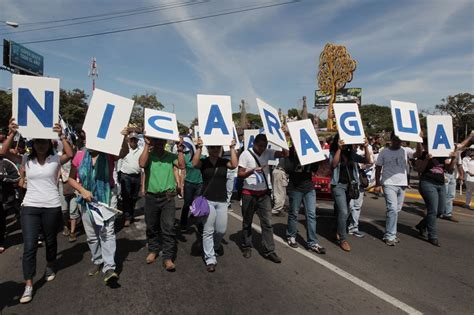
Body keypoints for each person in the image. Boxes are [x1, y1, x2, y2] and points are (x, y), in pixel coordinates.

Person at [1, 118, 73, 304]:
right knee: (30, 245)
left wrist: (62, 135)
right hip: (30, 207)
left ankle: (50, 264)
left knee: (50, 240)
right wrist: (11, 133)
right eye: (37, 142)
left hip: (51, 206)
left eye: (44, 142)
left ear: (49, 143)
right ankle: (29, 284)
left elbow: (70, 153)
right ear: (33, 144)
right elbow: (3, 152)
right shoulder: (26, 159)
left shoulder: (56, 159)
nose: (41, 145)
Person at [68, 129, 129, 285]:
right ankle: (97, 259)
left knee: (107, 232)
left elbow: (124, 151)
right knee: (92, 235)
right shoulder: (80, 155)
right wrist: (82, 190)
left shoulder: (108, 154)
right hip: (86, 200)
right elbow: (70, 179)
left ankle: (109, 267)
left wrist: (124, 136)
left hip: (107, 198)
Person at [238, 134, 288, 263]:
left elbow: (285, 154)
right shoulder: (245, 154)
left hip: (264, 194)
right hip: (249, 193)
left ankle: (269, 250)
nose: (262, 148)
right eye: (260, 146)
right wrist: (253, 170)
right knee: (247, 221)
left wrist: (281, 138)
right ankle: (247, 246)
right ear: (254, 143)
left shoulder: (268, 152)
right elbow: (240, 174)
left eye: (264, 146)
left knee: (267, 223)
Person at [139, 137, 185, 271]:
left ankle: (167, 257)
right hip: (151, 197)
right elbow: (142, 164)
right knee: (151, 225)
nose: (159, 144)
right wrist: (147, 145)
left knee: (169, 227)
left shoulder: (171, 156)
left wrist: (180, 150)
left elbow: (182, 166)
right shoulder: (148, 156)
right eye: (156, 141)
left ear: (165, 143)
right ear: (153, 142)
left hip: (168, 197)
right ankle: (153, 250)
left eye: (161, 142)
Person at [192, 138, 238, 272]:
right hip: (207, 201)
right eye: (212, 148)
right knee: (208, 230)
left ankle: (215, 246)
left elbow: (234, 164)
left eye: (218, 148)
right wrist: (198, 147)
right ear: (208, 149)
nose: (215, 150)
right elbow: (194, 163)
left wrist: (233, 147)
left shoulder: (224, 162)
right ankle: (210, 258)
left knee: (221, 230)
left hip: (222, 201)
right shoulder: (204, 162)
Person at [330, 134, 370, 252]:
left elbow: (367, 160)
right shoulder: (334, 152)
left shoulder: (351, 154)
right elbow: (334, 164)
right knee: (344, 211)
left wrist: (366, 147)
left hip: (350, 187)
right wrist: (339, 149)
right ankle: (343, 239)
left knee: (340, 211)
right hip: (338, 186)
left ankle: (335, 230)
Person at [284, 146, 326, 254]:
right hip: (295, 188)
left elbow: (314, 169)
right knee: (294, 213)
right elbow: (288, 168)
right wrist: (296, 157)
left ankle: (312, 242)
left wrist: (316, 159)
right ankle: (291, 236)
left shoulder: (310, 150)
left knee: (311, 215)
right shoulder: (291, 151)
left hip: (309, 188)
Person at [415, 142, 456, 247]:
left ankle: (421, 225)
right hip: (428, 183)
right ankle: (432, 236)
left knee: (440, 211)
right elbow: (419, 169)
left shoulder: (443, 156)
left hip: (440, 184)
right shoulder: (424, 154)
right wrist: (427, 159)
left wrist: (453, 159)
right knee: (432, 210)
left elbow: (450, 170)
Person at [374, 133, 407, 246]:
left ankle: (392, 233)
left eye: (400, 140)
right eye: (396, 139)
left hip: (402, 184)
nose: (398, 142)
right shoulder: (384, 151)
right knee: (392, 209)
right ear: (392, 139)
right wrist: (377, 183)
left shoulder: (404, 150)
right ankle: (389, 236)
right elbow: (378, 167)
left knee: (396, 210)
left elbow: (417, 154)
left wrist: (419, 140)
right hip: (389, 183)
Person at [348, 143, 374, 238]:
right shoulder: (349, 153)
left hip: (360, 182)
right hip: (350, 184)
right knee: (349, 206)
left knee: (357, 206)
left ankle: (354, 227)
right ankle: (344, 225)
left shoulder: (363, 151)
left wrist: (364, 164)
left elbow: (370, 162)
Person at [119, 132, 144, 227]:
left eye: (135, 139)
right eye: (131, 139)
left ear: (137, 140)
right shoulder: (124, 149)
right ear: (128, 140)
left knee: (134, 198)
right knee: (126, 197)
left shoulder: (141, 150)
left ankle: (131, 213)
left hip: (137, 176)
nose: (133, 141)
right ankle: (127, 217)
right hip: (125, 176)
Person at [180, 136, 203, 231]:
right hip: (188, 184)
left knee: (198, 205)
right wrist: (181, 185)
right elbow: (183, 172)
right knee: (187, 204)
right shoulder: (186, 157)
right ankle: (183, 223)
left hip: (199, 184)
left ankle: (199, 224)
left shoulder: (203, 158)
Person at [0, 155, 20, 253]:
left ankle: (1, 242)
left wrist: (4, 178)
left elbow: (17, 177)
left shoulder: (6, 163)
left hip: (4, 199)